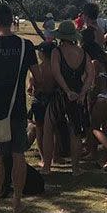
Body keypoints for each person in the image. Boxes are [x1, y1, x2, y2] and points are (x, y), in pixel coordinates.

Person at [0, 4, 40, 213]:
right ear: (12, 20)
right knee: (19, 155)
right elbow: (36, 76)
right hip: (18, 109)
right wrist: (30, 82)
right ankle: (17, 202)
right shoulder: (26, 45)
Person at [41, 21, 94, 176]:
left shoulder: (57, 52)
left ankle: (47, 166)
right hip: (78, 94)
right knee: (75, 131)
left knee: (48, 128)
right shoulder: (83, 53)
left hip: (60, 94)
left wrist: (66, 90)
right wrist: (83, 92)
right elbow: (91, 74)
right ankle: (75, 168)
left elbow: (56, 73)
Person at [81, 31, 107, 168]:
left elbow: (95, 86)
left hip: (101, 98)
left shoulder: (93, 63)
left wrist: (89, 100)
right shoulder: (105, 61)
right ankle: (102, 157)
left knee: (93, 128)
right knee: (106, 129)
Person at [27, 41, 56, 168]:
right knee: (53, 130)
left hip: (39, 101)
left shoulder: (37, 69)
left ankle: (44, 158)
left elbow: (30, 89)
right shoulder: (56, 69)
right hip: (53, 101)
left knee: (40, 130)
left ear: (42, 53)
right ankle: (55, 156)